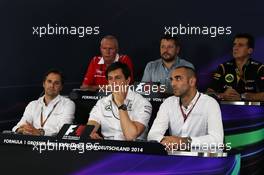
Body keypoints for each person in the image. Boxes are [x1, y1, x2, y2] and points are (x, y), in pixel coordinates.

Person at [148, 66, 224, 150]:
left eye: (178, 78)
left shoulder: (210, 103)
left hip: (201, 159)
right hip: (175, 158)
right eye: (171, 79)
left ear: (192, 81)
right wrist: (164, 140)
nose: (173, 83)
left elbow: (217, 140)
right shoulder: (168, 103)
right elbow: (152, 135)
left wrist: (184, 141)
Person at [87, 62, 152, 141]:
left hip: (134, 150)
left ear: (127, 80)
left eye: (117, 78)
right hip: (108, 148)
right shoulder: (101, 102)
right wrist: (90, 132)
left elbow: (130, 136)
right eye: (110, 78)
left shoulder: (142, 103)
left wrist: (121, 104)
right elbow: (91, 125)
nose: (113, 82)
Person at [12, 69, 75, 136]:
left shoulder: (68, 104)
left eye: (56, 83)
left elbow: (64, 130)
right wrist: (21, 130)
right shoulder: (32, 104)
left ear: (61, 87)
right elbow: (19, 126)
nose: (52, 85)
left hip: (54, 144)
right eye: (49, 81)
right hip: (31, 142)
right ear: (44, 84)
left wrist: (40, 132)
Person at [207, 33, 264, 101]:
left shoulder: (259, 68)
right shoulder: (223, 67)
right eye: (234, 44)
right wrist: (222, 95)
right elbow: (209, 93)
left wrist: (242, 97)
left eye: (240, 45)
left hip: (251, 110)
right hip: (225, 110)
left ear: (250, 50)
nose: (235, 48)